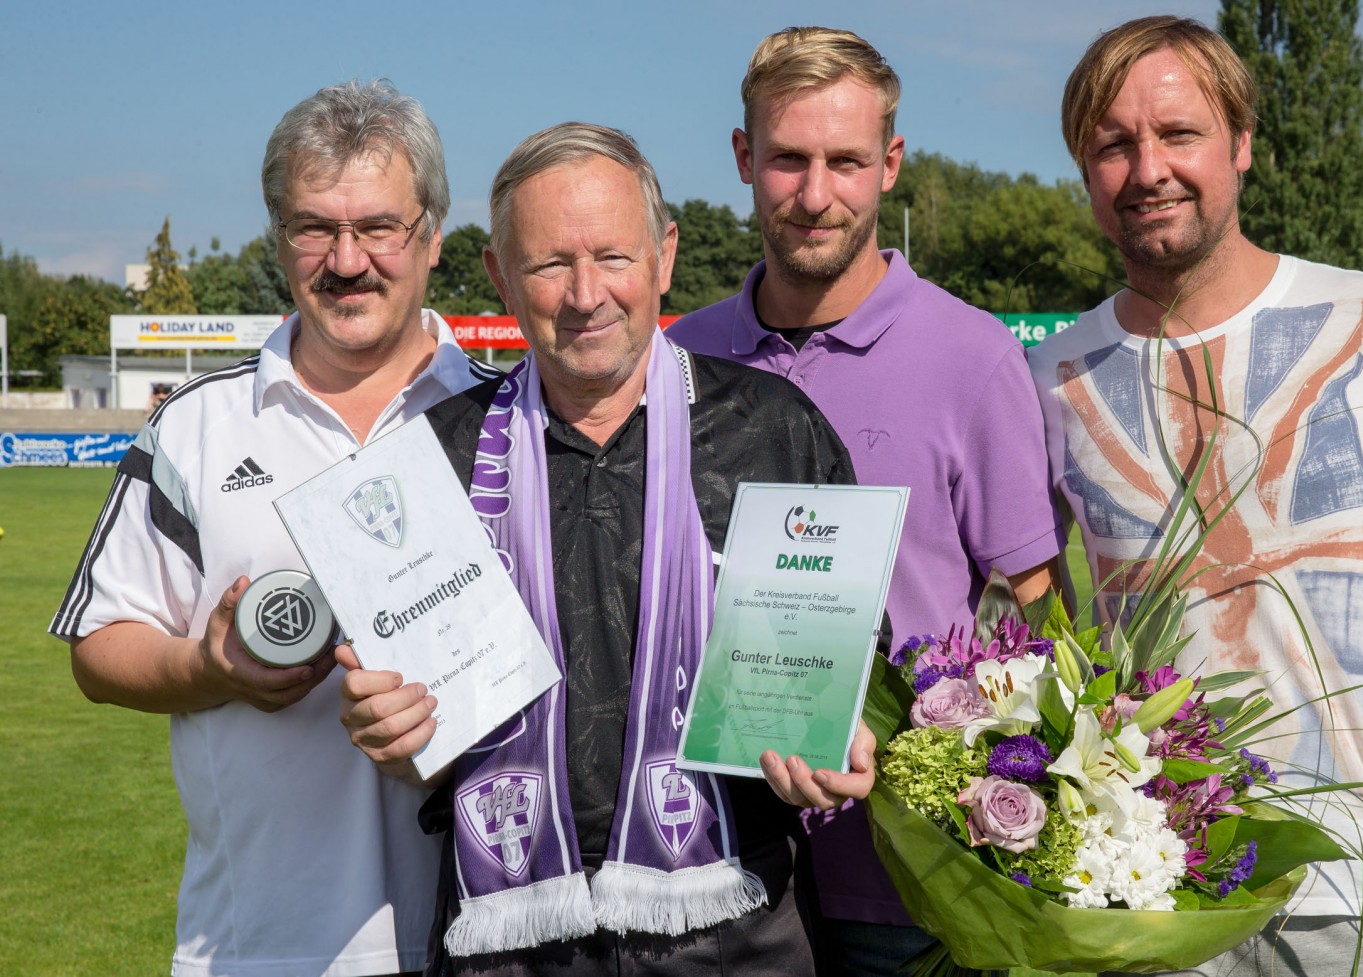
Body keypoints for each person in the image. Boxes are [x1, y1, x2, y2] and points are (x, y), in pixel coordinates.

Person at [1029, 16, 1363, 975]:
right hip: (1164, 898)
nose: (1148, 167)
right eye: (1114, 144)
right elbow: (1040, 609)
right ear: (1085, 172)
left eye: (1179, 134)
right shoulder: (1051, 376)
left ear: (1241, 144)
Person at [338, 122, 878, 977]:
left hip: (737, 927)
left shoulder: (772, 431)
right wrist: (393, 728)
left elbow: (856, 665)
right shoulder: (428, 465)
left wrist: (847, 729)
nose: (586, 293)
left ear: (664, 255)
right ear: (499, 274)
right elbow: (413, 728)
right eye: (551, 262)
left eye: (614, 257)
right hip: (510, 936)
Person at [50, 80, 501, 977]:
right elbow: (97, 649)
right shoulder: (197, 422)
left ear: (434, 234)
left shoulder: (508, 417)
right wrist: (208, 667)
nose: (347, 258)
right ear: (277, 236)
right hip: (257, 943)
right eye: (312, 227)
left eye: (379, 226)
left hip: (486, 937)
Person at [666, 28, 1065, 974]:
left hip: (905, 886)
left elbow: (1039, 619)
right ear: (742, 158)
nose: (815, 194)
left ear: (889, 165)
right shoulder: (679, 360)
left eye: (845, 161)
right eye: (788, 159)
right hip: (707, 873)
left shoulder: (973, 357)